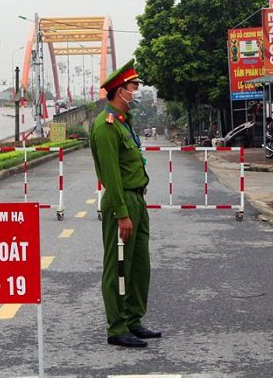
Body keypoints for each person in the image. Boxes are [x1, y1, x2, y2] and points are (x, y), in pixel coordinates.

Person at [89, 60, 159, 348]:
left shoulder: (123, 122)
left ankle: (133, 319)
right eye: (134, 87)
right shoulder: (105, 127)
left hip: (137, 199)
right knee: (117, 266)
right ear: (120, 91)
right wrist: (121, 213)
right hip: (123, 201)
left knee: (139, 265)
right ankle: (116, 326)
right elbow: (111, 175)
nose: (137, 91)